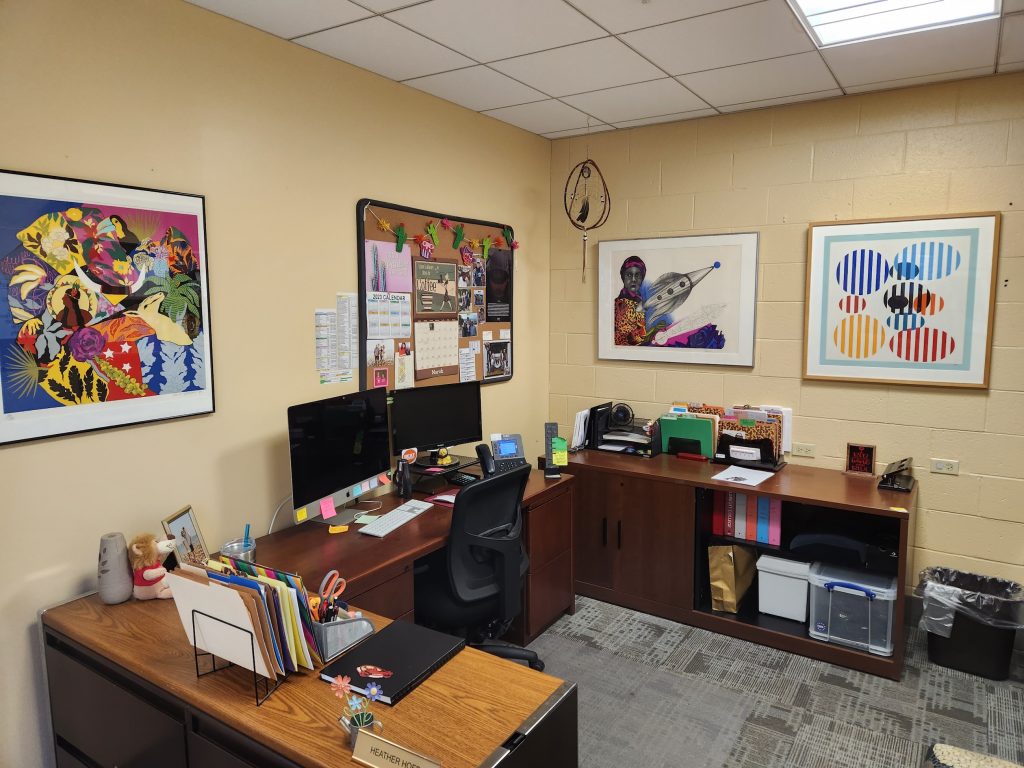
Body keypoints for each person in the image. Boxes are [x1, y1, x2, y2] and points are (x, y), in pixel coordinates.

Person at [614, 255, 659, 346]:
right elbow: (629, 339)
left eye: (637, 275)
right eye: (629, 275)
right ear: (623, 277)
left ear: (642, 278)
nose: (633, 279)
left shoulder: (640, 301)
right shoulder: (620, 305)